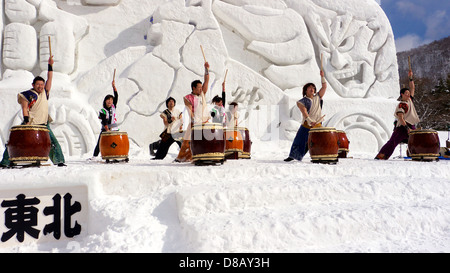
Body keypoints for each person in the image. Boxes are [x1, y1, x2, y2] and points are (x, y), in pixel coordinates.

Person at [1, 56, 66, 167]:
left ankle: (59, 161)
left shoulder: (45, 93)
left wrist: (50, 65)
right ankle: (5, 162)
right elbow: (24, 108)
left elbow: (50, 79)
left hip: (44, 124)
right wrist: (26, 119)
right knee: (16, 141)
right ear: (33, 85)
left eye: (42, 84)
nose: (40, 86)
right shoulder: (29, 94)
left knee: (53, 143)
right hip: (30, 122)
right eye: (38, 84)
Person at [375, 70, 419, 160]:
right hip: (402, 127)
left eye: (408, 93)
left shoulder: (410, 100)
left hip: (411, 125)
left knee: (417, 140)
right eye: (406, 93)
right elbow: (401, 118)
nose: (408, 94)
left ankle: (418, 155)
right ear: (402, 95)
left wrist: (410, 78)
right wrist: (407, 128)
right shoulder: (401, 105)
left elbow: (412, 88)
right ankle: (381, 156)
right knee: (393, 142)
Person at [284, 70, 327, 162]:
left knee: (317, 142)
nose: (312, 89)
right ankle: (293, 156)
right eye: (310, 88)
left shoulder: (318, 97)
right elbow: (304, 113)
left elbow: (324, 87)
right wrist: (310, 120)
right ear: (305, 90)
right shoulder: (302, 101)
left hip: (318, 125)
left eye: (313, 88)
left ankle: (319, 157)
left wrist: (322, 76)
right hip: (307, 124)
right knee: (299, 141)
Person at [174, 61, 210, 163]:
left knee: (207, 140)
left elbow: (206, 81)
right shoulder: (188, 98)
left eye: (201, 87)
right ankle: (184, 158)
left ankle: (204, 156)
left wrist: (206, 69)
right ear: (193, 88)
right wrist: (194, 120)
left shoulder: (202, 94)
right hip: (195, 122)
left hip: (205, 121)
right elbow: (189, 110)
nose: (201, 89)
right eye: (199, 87)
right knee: (188, 142)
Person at [89, 80, 119, 161]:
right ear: (105, 101)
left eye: (111, 100)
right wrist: (107, 130)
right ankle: (94, 156)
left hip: (113, 128)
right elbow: (104, 121)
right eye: (108, 100)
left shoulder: (113, 107)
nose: (110, 101)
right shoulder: (103, 111)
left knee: (115, 142)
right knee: (100, 143)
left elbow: (116, 96)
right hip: (105, 129)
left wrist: (114, 87)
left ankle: (115, 154)